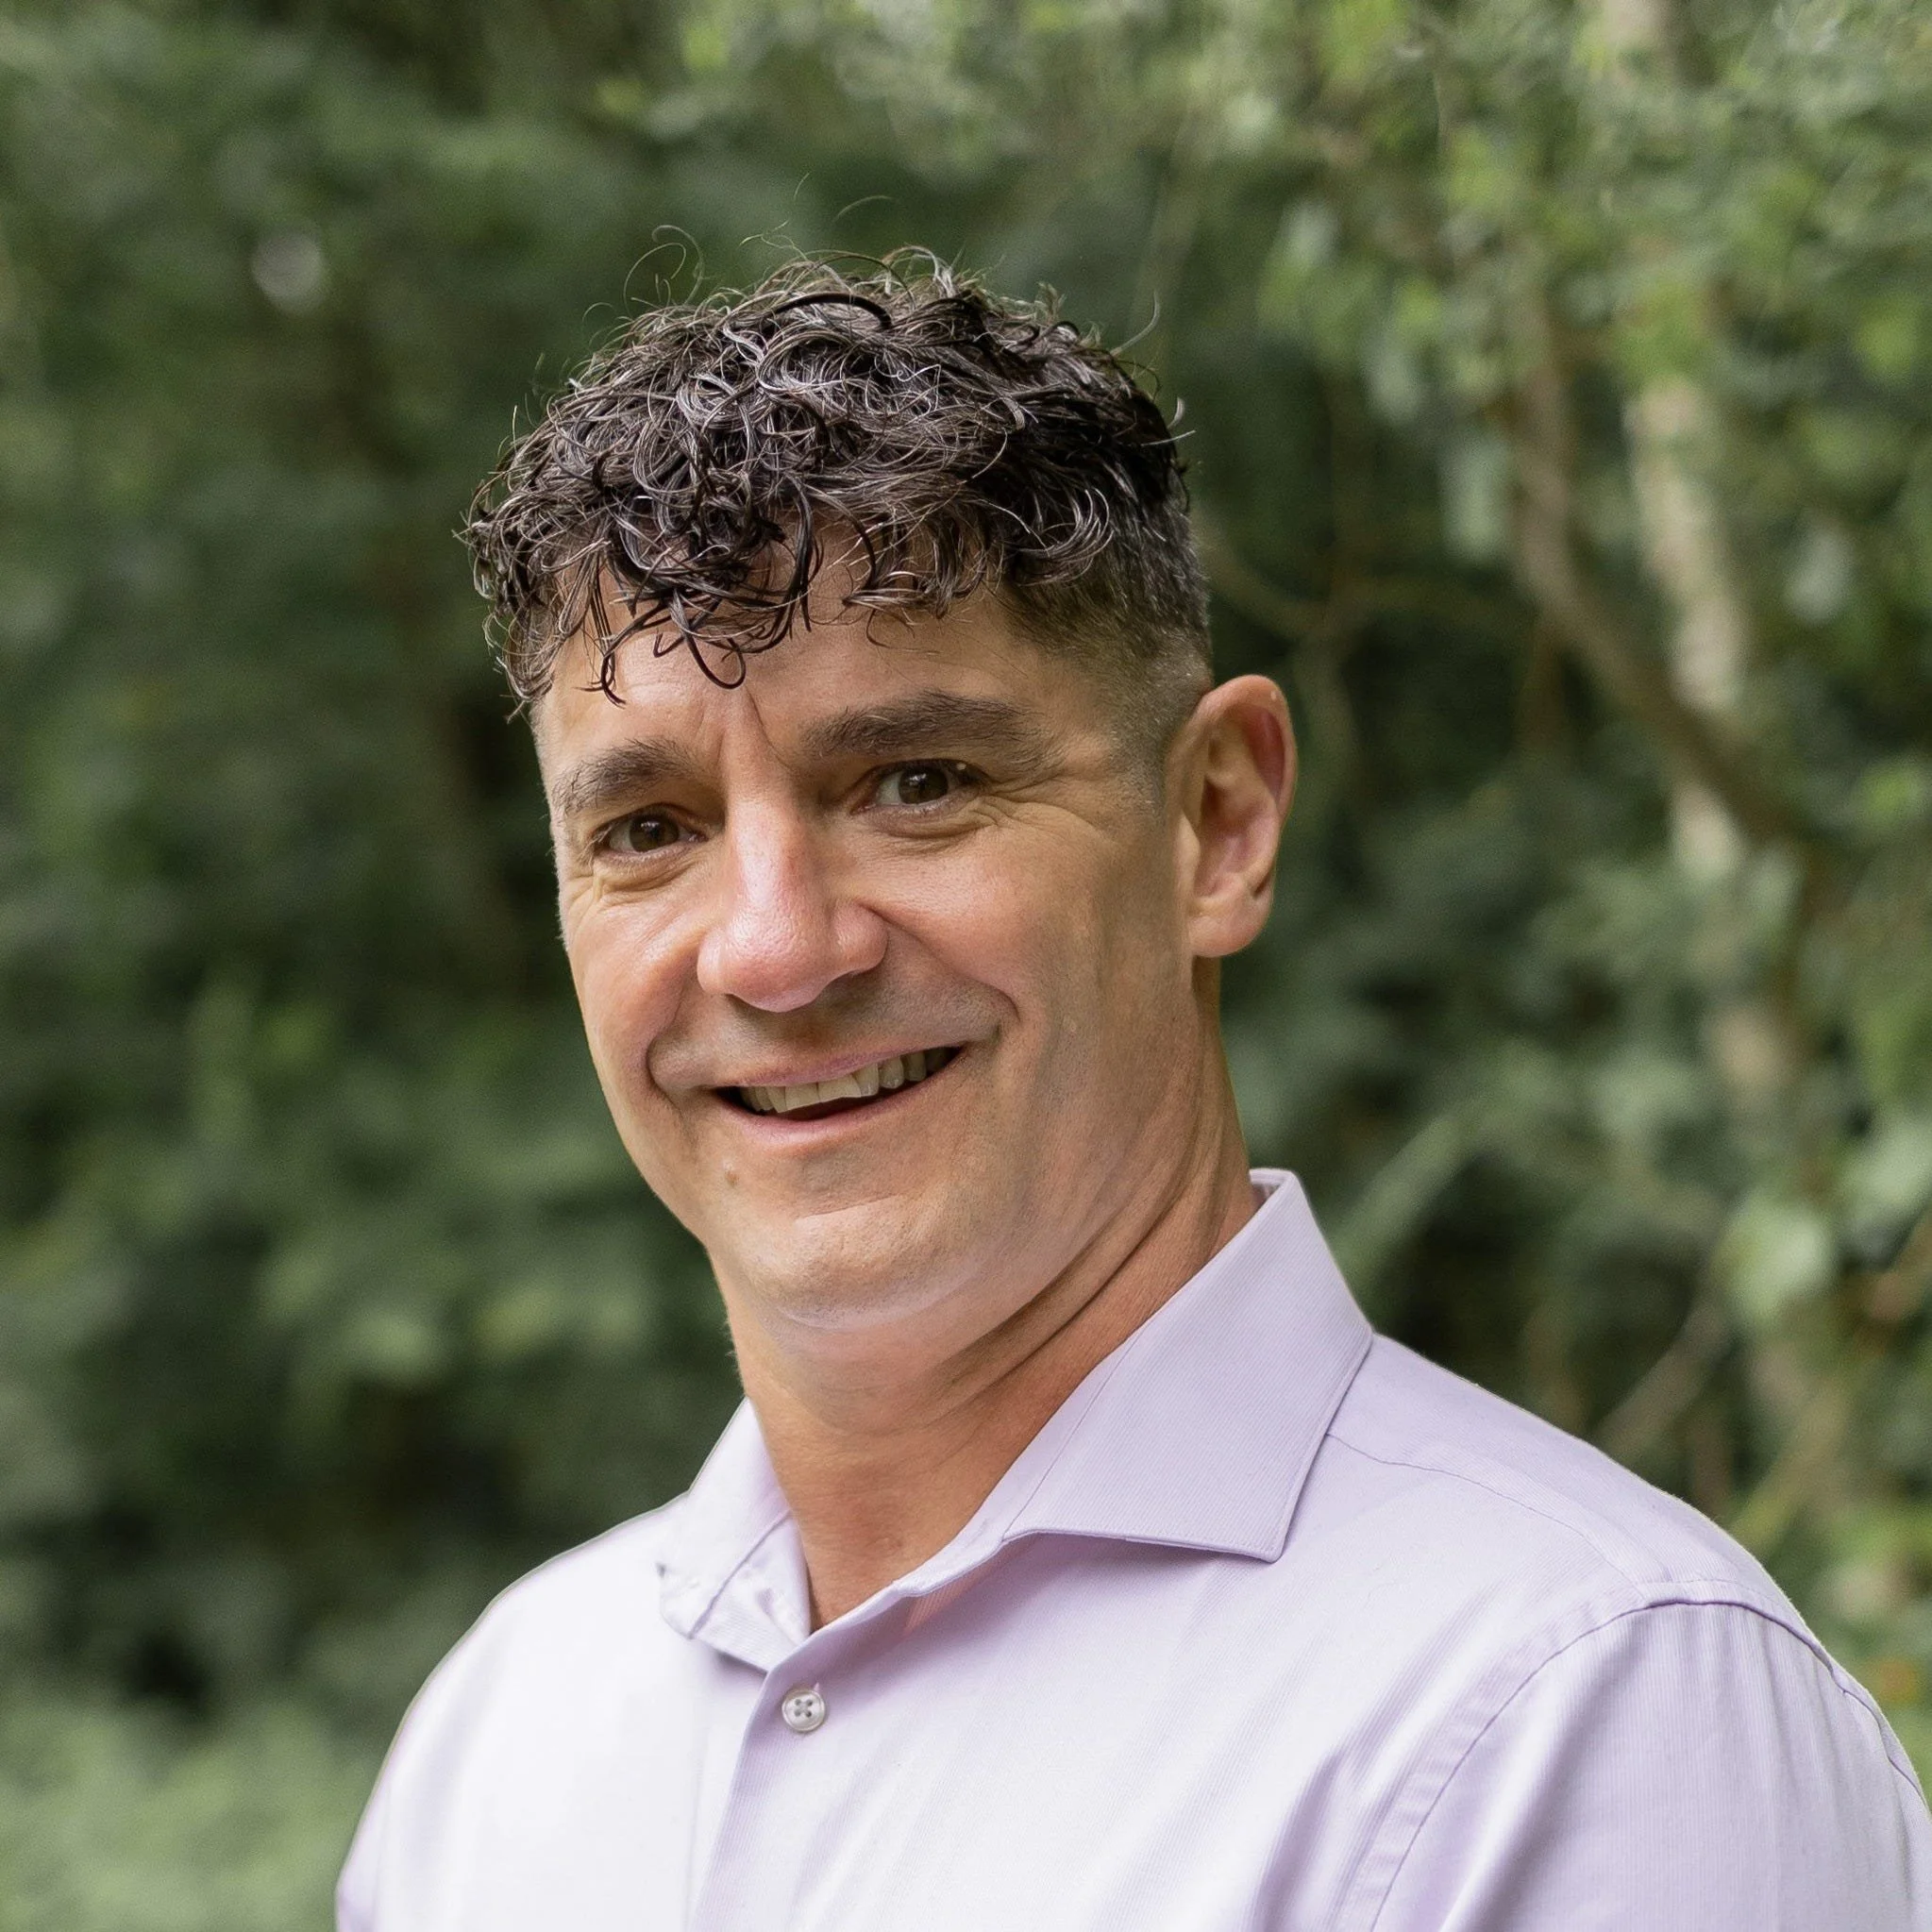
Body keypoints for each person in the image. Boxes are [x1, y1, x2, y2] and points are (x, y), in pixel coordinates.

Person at [336, 258, 1931, 1931]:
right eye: (646, 827)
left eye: (914, 781)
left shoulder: (1585, 1713)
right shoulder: (502, 1734)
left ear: (1216, 823)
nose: (776, 951)